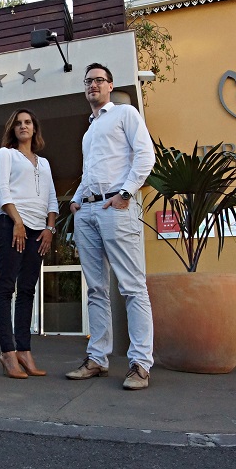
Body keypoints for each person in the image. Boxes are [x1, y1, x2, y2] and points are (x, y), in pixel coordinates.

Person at [65, 62, 156, 390]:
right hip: (87, 211)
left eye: (99, 80)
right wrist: (76, 199)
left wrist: (125, 193)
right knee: (96, 289)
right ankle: (97, 359)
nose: (93, 85)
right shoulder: (90, 130)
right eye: (88, 81)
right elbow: (93, 172)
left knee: (132, 287)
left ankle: (141, 364)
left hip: (116, 209)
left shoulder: (125, 114)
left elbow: (146, 157)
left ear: (110, 85)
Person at [0, 108, 58, 378]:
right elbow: (1, 189)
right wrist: (17, 222)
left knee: (28, 289)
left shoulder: (44, 163)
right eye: (18, 123)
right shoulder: (6, 154)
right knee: (6, 288)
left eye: (28, 122)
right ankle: (7, 352)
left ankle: (24, 351)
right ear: (12, 129)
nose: (23, 126)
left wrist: (50, 228)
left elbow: (52, 197)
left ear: (34, 128)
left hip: (38, 230)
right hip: (11, 224)